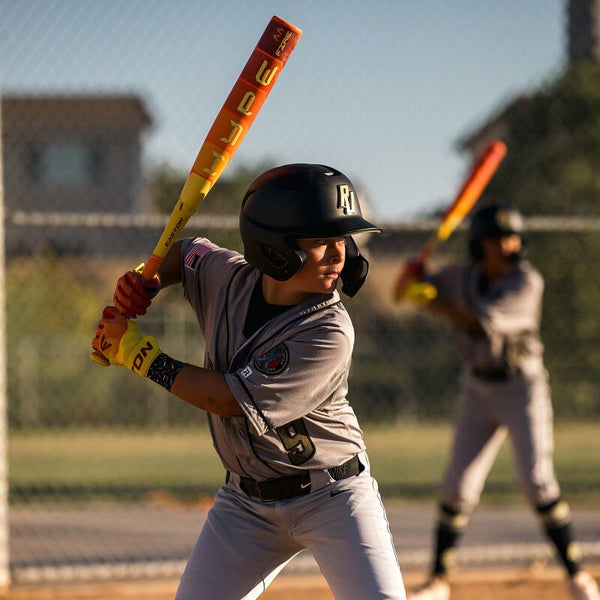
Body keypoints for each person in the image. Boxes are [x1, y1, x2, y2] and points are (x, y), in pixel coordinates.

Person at [92, 163, 407, 600]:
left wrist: (139, 356)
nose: (339, 254)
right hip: (245, 506)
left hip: (331, 497)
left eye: (342, 239)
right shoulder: (227, 277)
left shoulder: (329, 331)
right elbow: (186, 253)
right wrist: (148, 278)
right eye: (321, 241)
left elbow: (227, 400)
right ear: (274, 248)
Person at [394, 203, 599, 600]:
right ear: (480, 244)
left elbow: (475, 319)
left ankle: (577, 575)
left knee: (537, 482)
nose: (506, 245)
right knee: (457, 486)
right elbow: (414, 290)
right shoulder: (461, 275)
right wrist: (411, 280)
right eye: (496, 239)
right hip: (477, 388)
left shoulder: (528, 281)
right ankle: (438, 581)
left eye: (512, 237)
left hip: (522, 388)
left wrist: (423, 297)